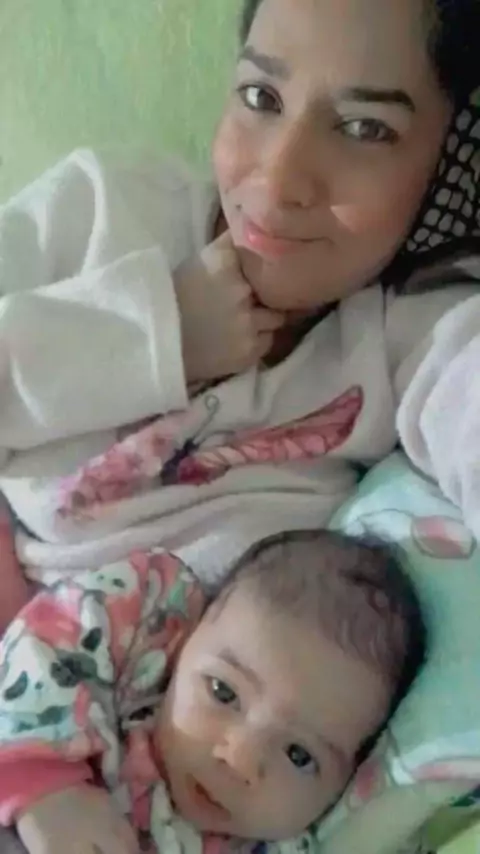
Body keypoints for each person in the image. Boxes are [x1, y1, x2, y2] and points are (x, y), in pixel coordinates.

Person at [0, 0, 479, 626]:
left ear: (453, 163)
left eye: (364, 129)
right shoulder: (99, 210)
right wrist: (160, 331)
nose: (279, 181)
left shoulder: (412, 329)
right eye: (261, 97)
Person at [0, 529, 426, 854]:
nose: (239, 759)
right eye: (223, 692)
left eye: (299, 755)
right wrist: (48, 787)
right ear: (186, 639)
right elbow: (47, 644)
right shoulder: (141, 659)